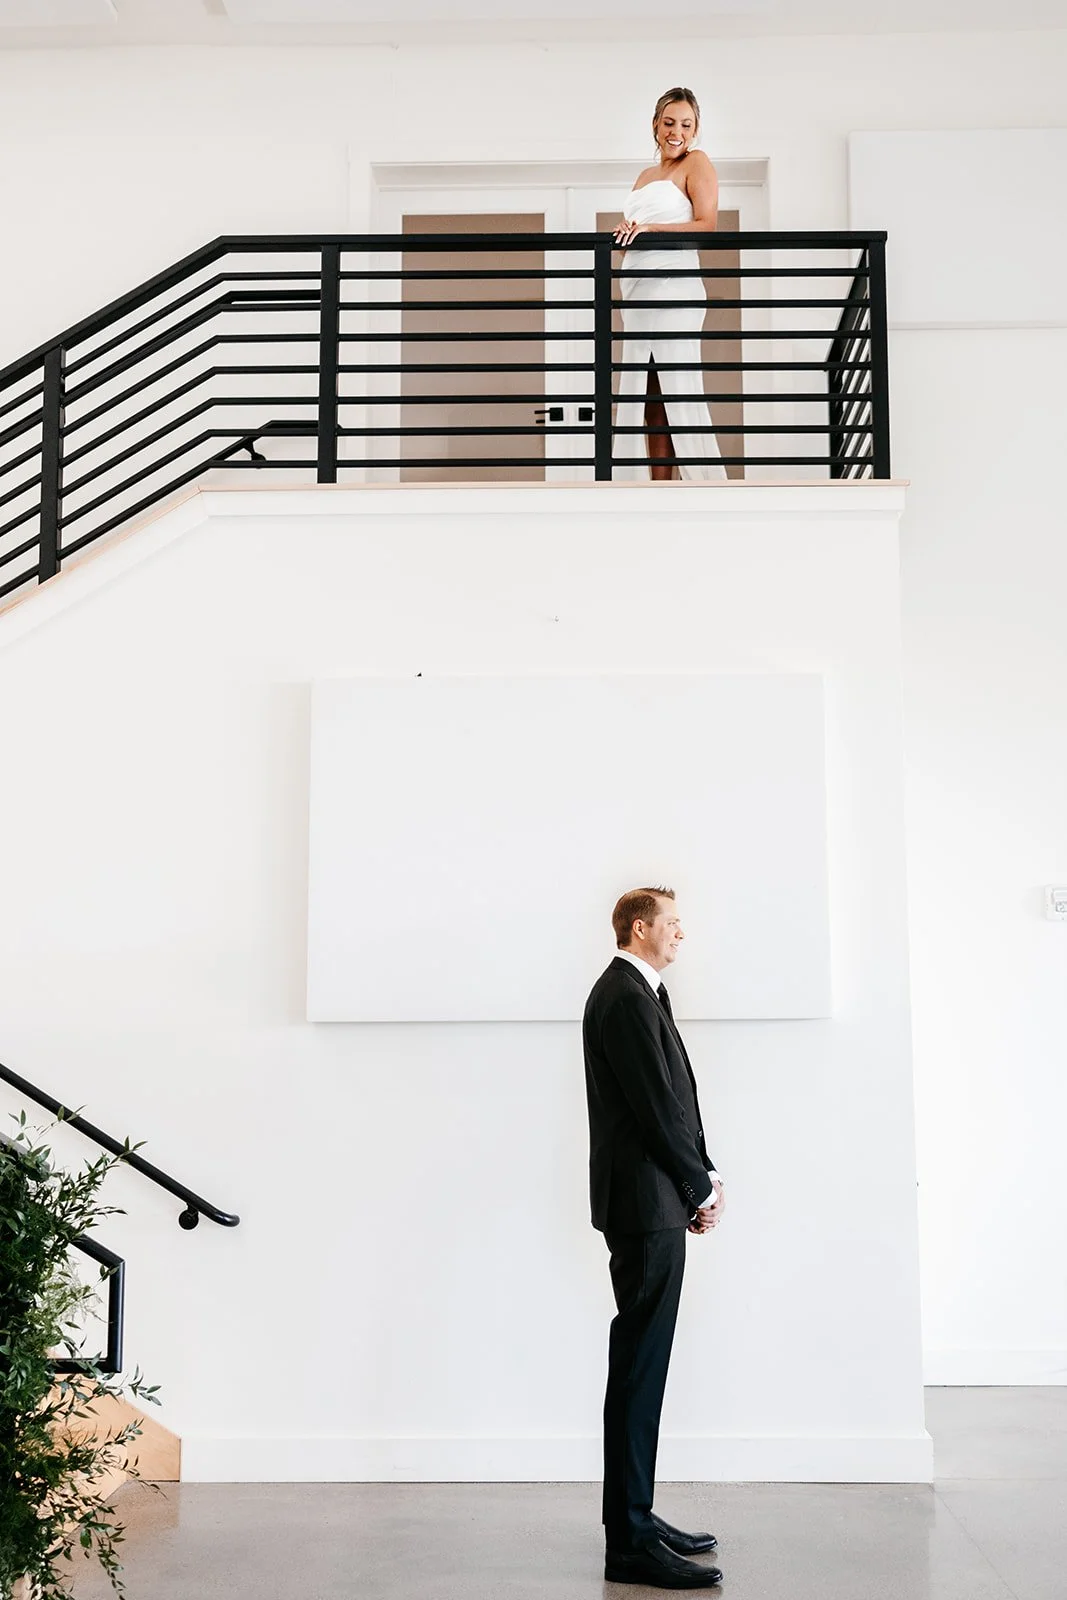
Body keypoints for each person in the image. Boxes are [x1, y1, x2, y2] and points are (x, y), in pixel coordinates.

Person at [583, 886, 726, 1589]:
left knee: (644, 1367)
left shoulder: (641, 994)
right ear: (639, 928)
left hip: (655, 1202)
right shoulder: (622, 998)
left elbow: (674, 1101)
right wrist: (698, 1185)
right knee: (639, 1369)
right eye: (671, 924)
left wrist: (700, 1175)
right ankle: (629, 1540)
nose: (680, 935)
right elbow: (654, 1111)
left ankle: (636, 1518)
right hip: (645, 1207)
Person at [612, 88, 728, 483]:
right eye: (669, 122)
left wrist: (651, 229)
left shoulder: (697, 162)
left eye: (686, 124)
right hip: (638, 289)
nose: (676, 131)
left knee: (672, 385)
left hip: (674, 284)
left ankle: (685, 481)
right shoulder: (645, 176)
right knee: (646, 389)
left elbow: (707, 225)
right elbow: (639, 227)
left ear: (695, 130)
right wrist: (630, 232)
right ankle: (656, 481)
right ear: (655, 126)